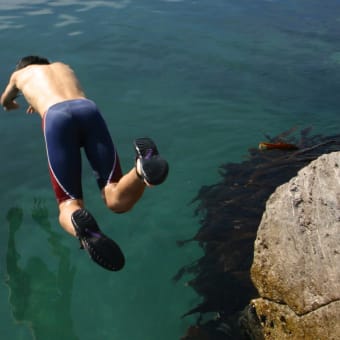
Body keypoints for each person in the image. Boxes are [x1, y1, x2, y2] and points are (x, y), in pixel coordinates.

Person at [1, 56, 169, 271]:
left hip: (56, 117)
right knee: (116, 198)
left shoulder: (19, 75)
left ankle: (84, 230)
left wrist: (17, 101)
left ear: (24, 68)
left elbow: (5, 101)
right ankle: (140, 166)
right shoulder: (62, 66)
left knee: (69, 204)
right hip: (87, 109)